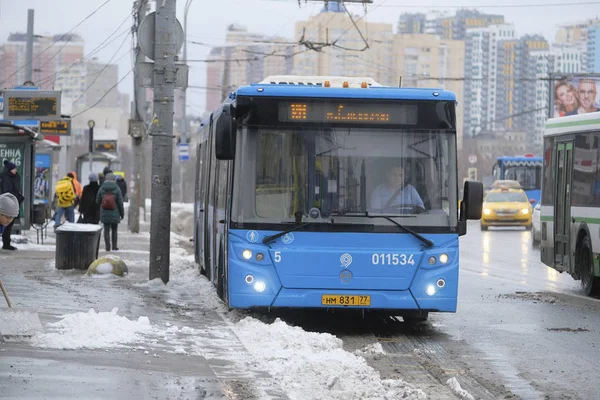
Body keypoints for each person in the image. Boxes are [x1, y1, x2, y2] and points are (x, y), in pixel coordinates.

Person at [96, 173, 124, 251]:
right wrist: (122, 214)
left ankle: (107, 247)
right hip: (115, 212)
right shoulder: (117, 188)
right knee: (114, 230)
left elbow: (97, 200)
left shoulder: (102, 188)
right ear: (114, 180)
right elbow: (120, 202)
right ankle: (114, 246)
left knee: (106, 229)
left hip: (105, 212)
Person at [1, 160, 24, 250]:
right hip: (7, 205)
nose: (16, 170)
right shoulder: (7, 178)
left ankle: (6, 243)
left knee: (7, 225)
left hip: (11, 203)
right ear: (10, 170)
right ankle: (6, 244)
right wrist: (17, 197)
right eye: (14, 169)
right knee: (6, 224)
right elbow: (8, 191)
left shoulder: (14, 177)